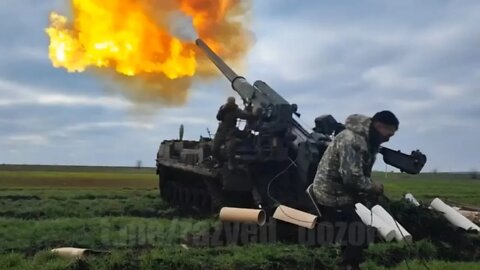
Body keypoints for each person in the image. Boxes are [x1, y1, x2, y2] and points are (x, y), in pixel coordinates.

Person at [312, 110, 399, 270]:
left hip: (343, 194)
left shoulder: (368, 140)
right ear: (379, 126)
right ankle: (348, 265)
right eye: (389, 134)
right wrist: (373, 187)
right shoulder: (352, 140)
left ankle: (347, 263)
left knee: (353, 234)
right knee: (357, 234)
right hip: (331, 194)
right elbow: (351, 178)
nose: (388, 139)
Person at [212, 96, 254, 169]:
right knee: (214, 149)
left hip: (230, 131)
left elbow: (244, 115)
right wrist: (222, 110)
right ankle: (220, 162)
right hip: (221, 131)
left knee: (230, 148)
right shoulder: (223, 108)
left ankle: (231, 164)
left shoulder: (236, 110)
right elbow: (218, 117)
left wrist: (250, 110)